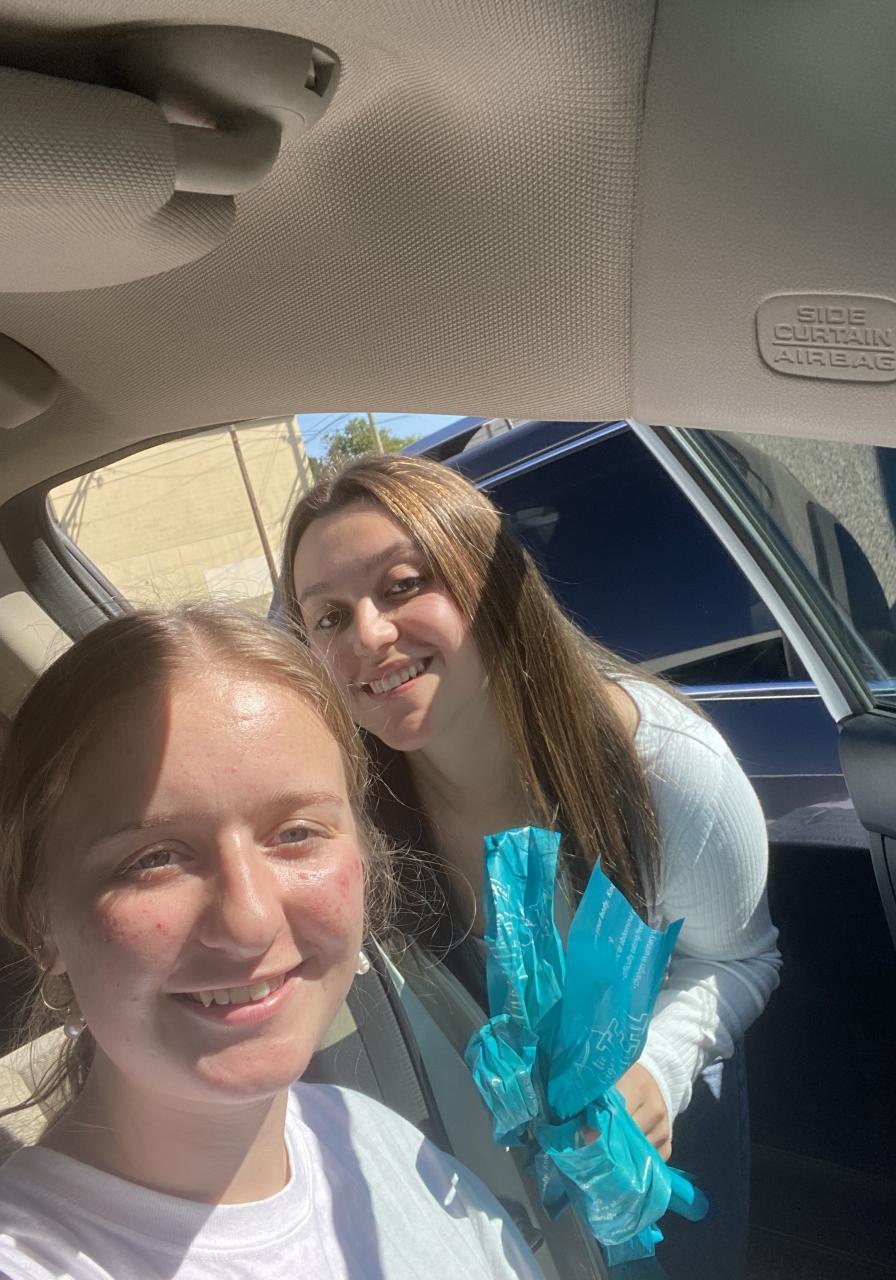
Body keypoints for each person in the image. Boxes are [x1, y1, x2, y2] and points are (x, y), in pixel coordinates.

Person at [281, 452, 782, 1279]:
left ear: (489, 582)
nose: (368, 635)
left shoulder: (666, 769)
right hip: (476, 1155)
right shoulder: (347, 807)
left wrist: (658, 1070)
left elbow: (742, 960)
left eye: (403, 584)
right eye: (328, 617)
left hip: (659, 1137)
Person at [0, 606, 542, 1280]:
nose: (250, 920)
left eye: (296, 834)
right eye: (154, 858)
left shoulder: (389, 1149)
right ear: (37, 919)